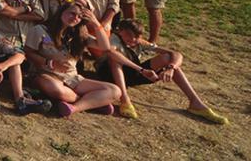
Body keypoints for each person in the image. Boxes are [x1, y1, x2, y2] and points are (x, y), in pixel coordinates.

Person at [97, 19, 228, 123]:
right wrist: (141, 69)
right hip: (110, 75)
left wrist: (171, 67)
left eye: (137, 37)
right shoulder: (114, 38)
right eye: (130, 36)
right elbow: (111, 53)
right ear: (121, 31)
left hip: (132, 74)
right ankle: (125, 100)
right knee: (115, 59)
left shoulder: (138, 42)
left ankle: (196, 103)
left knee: (168, 58)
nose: (133, 40)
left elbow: (175, 54)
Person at [24, 2, 121, 118]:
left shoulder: (79, 35)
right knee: (56, 90)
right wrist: (49, 62)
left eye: (80, 16)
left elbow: (105, 47)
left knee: (114, 90)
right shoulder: (41, 30)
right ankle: (93, 102)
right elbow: (28, 52)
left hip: (72, 78)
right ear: (61, 12)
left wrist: (95, 23)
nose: (75, 18)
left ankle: (75, 107)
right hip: (46, 74)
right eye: (72, 13)